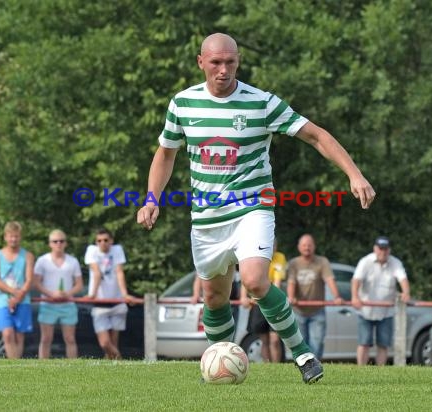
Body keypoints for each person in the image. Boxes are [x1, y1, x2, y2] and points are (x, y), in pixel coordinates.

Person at [136, 33, 375, 383]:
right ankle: (220, 369)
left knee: (254, 281)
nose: (223, 69)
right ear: (201, 62)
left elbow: (316, 135)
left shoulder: (261, 102)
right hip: (207, 218)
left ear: (239, 61)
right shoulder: (183, 104)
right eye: (215, 62)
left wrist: (355, 175)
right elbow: (166, 153)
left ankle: (303, 354)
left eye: (230, 62)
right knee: (214, 297)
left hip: (253, 208)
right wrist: (151, 198)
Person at [351, 236, 411, 366]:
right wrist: (355, 297)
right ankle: (360, 371)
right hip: (365, 311)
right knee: (364, 343)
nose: (383, 252)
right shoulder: (365, 261)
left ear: (389, 250)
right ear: (375, 249)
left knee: (383, 344)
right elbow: (356, 280)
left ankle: (380, 372)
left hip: (386, 312)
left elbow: (402, 278)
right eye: (380, 249)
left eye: (385, 249)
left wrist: (406, 292)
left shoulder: (395, 263)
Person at [286, 234, 343, 360]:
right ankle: (302, 368)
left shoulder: (322, 262)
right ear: (299, 247)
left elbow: (329, 279)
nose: (307, 248)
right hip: (298, 311)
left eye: (309, 245)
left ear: (314, 247)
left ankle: (315, 368)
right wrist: (291, 297)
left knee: (316, 343)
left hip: (317, 311)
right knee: (299, 344)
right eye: (304, 245)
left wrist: (337, 296)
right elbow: (291, 282)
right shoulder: (294, 263)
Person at [33, 229, 83, 359]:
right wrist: (51, 294)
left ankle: (73, 369)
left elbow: (79, 284)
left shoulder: (73, 261)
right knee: (46, 339)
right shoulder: (42, 260)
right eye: (55, 241)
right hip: (48, 304)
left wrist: (67, 294)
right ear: (50, 243)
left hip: (67, 304)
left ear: (66, 243)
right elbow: (36, 283)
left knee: (70, 339)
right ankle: (42, 369)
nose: (58, 244)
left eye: (61, 241)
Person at [85, 228, 133, 360]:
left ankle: (113, 368)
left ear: (111, 241)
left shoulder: (116, 250)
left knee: (113, 341)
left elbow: (119, 272)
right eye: (99, 241)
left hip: (116, 300)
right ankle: (120, 360)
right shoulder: (91, 251)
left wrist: (124, 294)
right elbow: (96, 273)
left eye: (106, 240)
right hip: (100, 301)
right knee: (105, 343)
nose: (102, 243)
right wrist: (92, 294)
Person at [0, 221, 34, 359]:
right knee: (8, 334)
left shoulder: (27, 256)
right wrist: (13, 292)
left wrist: (18, 296)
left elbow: (29, 279)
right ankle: (11, 366)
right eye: (11, 236)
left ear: (20, 237)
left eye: (16, 236)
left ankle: (16, 366)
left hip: (23, 300)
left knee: (20, 336)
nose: (13, 239)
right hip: (2, 300)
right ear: (5, 237)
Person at [240, 239, 286, 363]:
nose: (272, 249)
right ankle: (268, 367)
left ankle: (276, 368)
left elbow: (277, 283)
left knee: (275, 340)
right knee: (264, 340)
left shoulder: (279, 258)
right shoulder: (254, 257)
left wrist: (267, 297)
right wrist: (243, 297)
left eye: (274, 246)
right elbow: (247, 277)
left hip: (273, 304)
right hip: (257, 305)